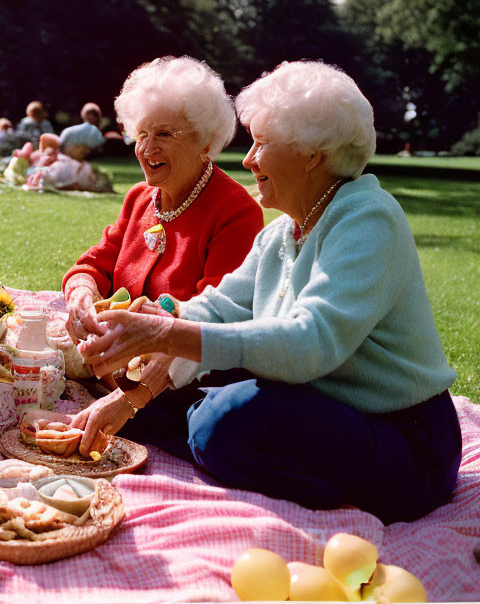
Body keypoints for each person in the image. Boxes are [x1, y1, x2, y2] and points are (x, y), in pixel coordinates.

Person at [76, 61, 461, 525]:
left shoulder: (369, 219)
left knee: (224, 419)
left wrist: (162, 335)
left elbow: (309, 343)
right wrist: (131, 396)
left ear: (311, 154)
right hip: (324, 412)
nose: (247, 159)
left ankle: (348, 510)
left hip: (405, 441)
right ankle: (219, 445)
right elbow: (216, 309)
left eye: (261, 142)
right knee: (178, 414)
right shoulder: (282, 234)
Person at [63, 55, 263, 398]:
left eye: (164, 134)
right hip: (114, 365)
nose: (147, 148)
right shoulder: (140, 197)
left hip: (179, 383)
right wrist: (81, 293)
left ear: (205, 141)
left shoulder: (235, 211)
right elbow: (96, 263)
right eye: (141, 134)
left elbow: (211, 319)